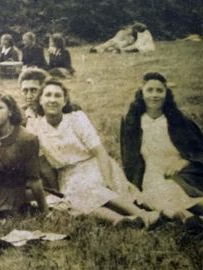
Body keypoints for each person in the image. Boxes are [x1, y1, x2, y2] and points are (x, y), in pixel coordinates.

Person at [26, 79, 160, 227]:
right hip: (66, 176)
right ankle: (120, 220)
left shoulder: (76, 119)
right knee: (73, 200)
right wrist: (56, 188)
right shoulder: (35, 127)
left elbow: (100, 152)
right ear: (40, 100)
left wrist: (108, 181)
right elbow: (43, 164)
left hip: (94, 165)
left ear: (64, 102)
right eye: (48, 95)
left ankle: (143, 215)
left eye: (58, 96)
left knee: (88, 189)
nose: (52, 100)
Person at [121, 72, 203, 222]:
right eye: (149, 90)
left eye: (159, 90)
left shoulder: (179, 119)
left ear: (166, 94)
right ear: (141, 93)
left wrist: (183, 162)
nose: (154, 95)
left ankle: (194, 217)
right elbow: (129, 159)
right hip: (151, 176)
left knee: (174, 189)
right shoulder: (132, 122)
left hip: (185, 175)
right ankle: (191, 219)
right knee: (154, 194)